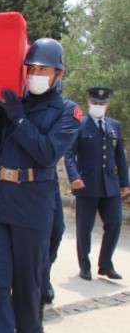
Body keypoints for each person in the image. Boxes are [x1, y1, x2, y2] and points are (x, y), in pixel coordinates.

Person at [0, 37, 82, 333]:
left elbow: (47, 153)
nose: (35, 74)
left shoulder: (68, 112)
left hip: (31, 205)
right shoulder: (10, 103)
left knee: (27, 287)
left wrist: (19, 120)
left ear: (58, 75)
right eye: (31, 68)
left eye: (44, 69)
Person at [64, 86, 129, 281]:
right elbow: (69, 154)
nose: (98, 106)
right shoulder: (80, 124)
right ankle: (85, 265)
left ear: (107, 105)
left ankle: (105, 264)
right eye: (95, 103)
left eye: (102, 103)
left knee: (115, 222)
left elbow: (120, 157)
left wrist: (125, 182)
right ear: (88, 103)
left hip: (110, 185)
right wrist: (74, 176)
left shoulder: (113, 126)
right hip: (86, 184)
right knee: (84, 227)